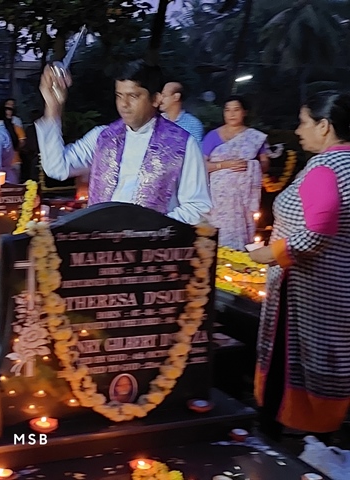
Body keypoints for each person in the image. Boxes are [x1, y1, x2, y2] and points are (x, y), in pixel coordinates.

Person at [249, 91, 350, 441]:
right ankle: (325, 437)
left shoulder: (324, 167)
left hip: (306, 293)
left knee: (291, 363)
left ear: (325, 126)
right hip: (338, 287)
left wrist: (273, 253)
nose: (298, 130)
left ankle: (282, 439)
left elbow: (319, 230)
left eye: (304, 122)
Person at [37, 60, 211, 225]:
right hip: (100, 242)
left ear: (156, 99)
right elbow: (56, 168)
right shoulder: (103, 137)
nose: (124, 104)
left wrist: (153, 227)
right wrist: (53, 107)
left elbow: (197, 207)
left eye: (133, 96)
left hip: (152, 248)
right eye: (119, 95)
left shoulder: (182, 144)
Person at [203, 95, 269, 250]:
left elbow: (265, 163)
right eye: (227, 110)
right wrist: (226, 165)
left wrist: (252, 165)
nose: (231, 114)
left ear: (244, 112)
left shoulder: (254, 137)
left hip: (243, 198)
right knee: (219, 232)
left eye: (236, 110)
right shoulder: (213, 136)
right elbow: (201, 166)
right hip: (218, 198)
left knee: (243, 232)